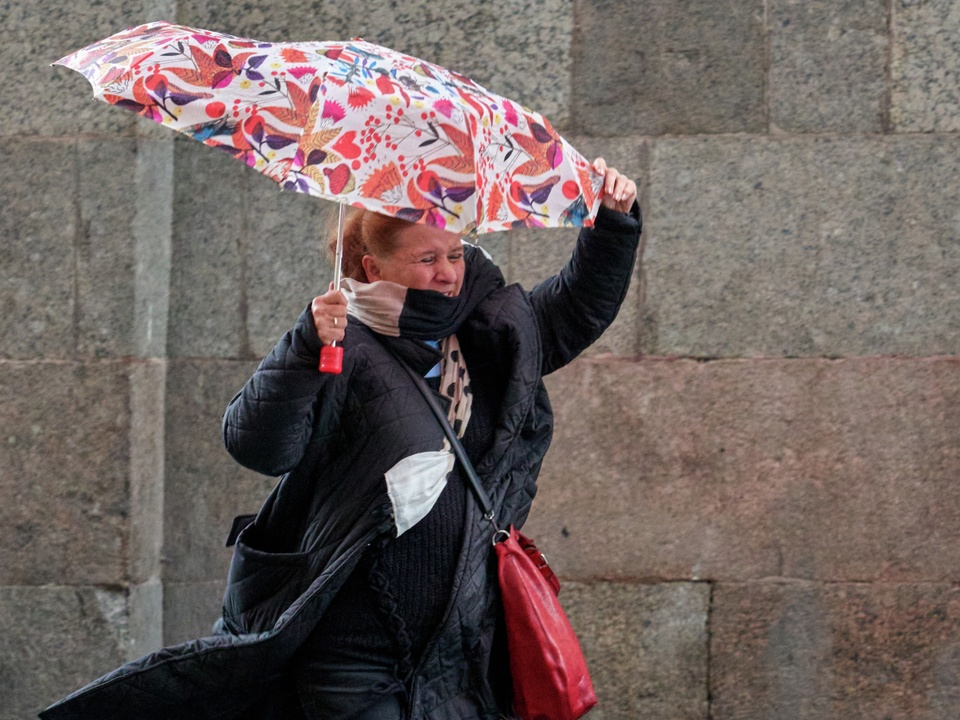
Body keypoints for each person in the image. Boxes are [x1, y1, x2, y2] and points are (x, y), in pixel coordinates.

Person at [38, 159, 639, 720]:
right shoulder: (338, 342)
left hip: (460, 653)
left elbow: (577, 308)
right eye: (427, 259)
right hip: (351, 656)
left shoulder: (491, 330)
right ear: (373, 268)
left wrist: (612, 224)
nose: (449, 274)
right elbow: (259, 447)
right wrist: (304, 348)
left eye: (455, 254)